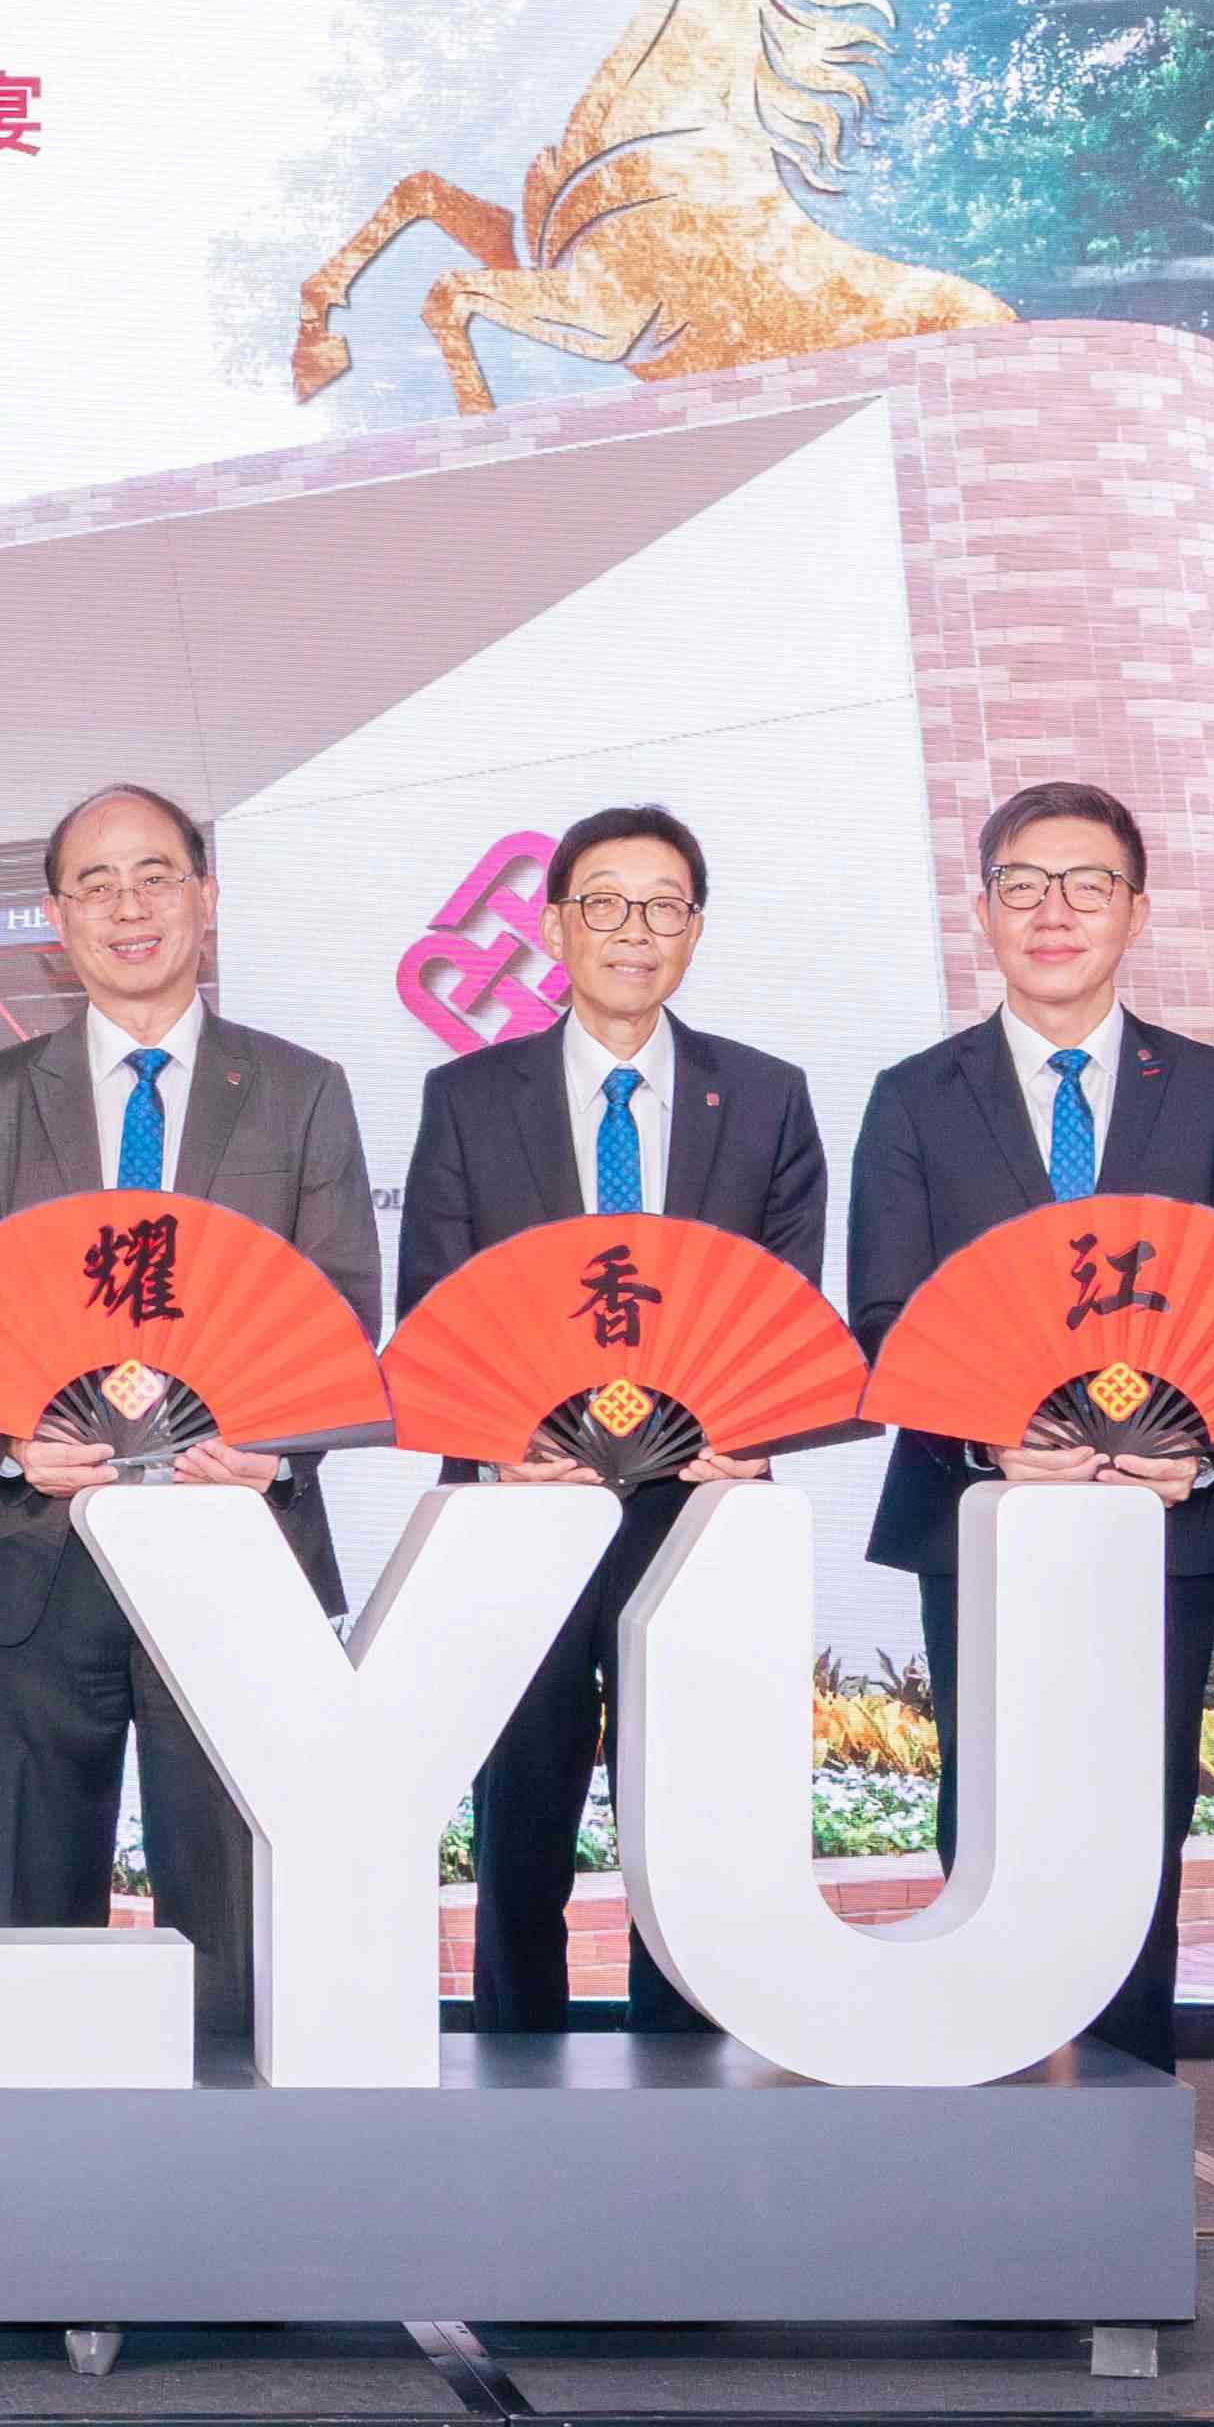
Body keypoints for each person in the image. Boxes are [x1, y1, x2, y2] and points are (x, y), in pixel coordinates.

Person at [0, 785, 379, 2043]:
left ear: (204, 899)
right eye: (96, 882)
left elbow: (338, 1303)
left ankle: (232, 2153)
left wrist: (276, 1444)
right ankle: (36, 2149)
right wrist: (8, 1443)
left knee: (233, 1938)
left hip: (235, 1548)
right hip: (34, 1560)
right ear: (56, 918)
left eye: (155, 875)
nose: (128, 905)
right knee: (30, 1931)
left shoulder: (298, 1091)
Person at [842, 779, 1214, 2079]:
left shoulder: (1210, 1091)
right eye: (1023, 884)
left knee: (1137, 1825)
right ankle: (990, 2115)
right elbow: (886, 1312)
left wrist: (1189, 1443)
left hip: (1161, 1527)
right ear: (982, 910)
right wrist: (993, 1438)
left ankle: (1125, 2125)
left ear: (1134, 911)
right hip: (977, 1515)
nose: (1055, 910)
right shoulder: (916, 1096)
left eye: (1087, 883)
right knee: (990, 1814)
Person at [395, 802, 824, 2041]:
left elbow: (785, 1308)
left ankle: (684, 2085)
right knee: (518, 1817)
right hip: (522, 1510)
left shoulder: (765, 1096)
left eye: (661, 905)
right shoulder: (468, 1096)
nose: (633, 930)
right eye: (603, 903)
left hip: (696, 1512)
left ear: (693, 928)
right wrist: (500, 1443)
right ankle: (512, 2076)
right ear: (552, 926)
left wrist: (759, 1426)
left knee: (687, 1821)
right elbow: (434, 1300)